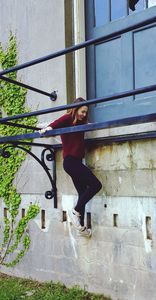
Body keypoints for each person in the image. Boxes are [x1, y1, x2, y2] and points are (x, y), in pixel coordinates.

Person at [39, 97, 102, 237]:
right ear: (75, 109)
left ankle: (81, 228)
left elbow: (85, 125)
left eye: (86, 112)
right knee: (96, 185)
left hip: (75, 163)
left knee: (82, 193)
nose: (84, 114)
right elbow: (56, 123)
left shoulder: (80, 122)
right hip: (71, 162)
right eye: (82, 111)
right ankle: (75, 212)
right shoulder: (68, 118)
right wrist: (47, 129)